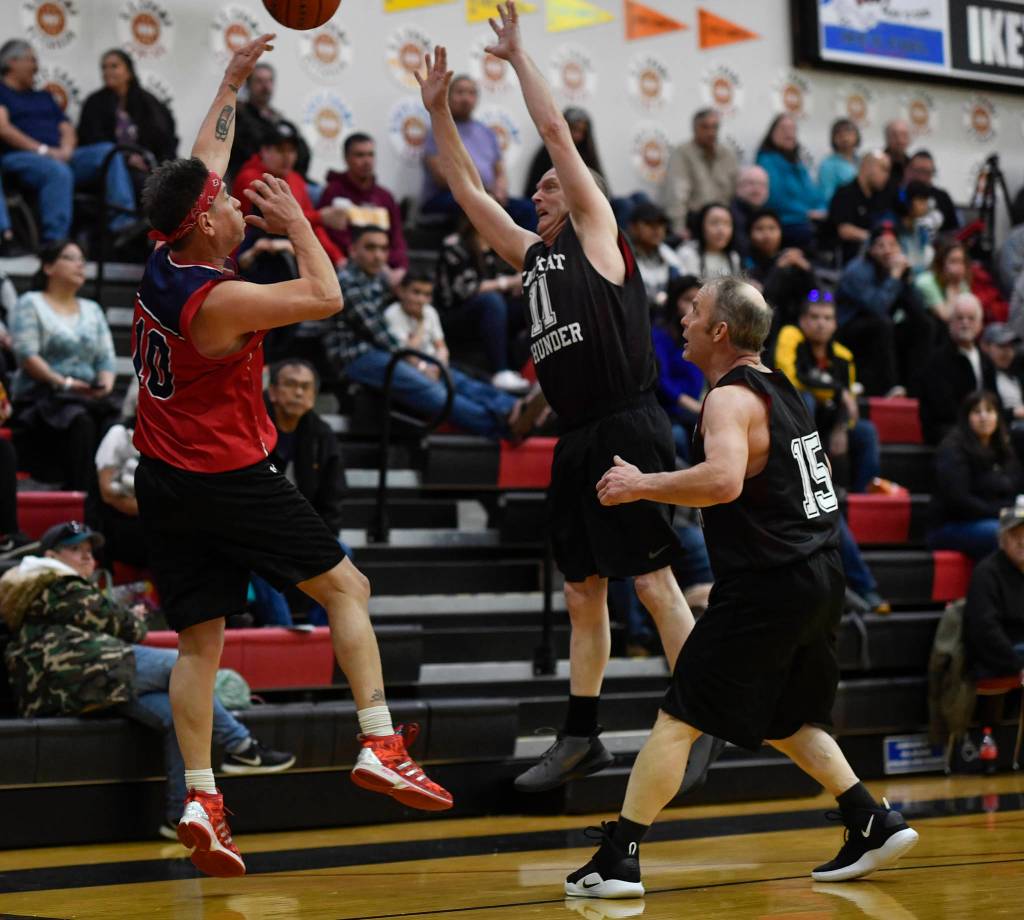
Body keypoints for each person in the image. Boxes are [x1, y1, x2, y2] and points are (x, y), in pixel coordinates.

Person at [131, 34, 453, 879]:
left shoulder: (165, 253)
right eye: (230, 203)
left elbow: (202, 161)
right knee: (350, 587)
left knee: (200, 644)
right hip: (223, 475)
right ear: (206, 222)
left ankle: (199, 797)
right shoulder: (223, 299)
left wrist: (231, 79)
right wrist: (299, 223)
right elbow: (328, 294)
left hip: (161, 475)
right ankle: (380, 741)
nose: (239, 201)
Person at [418, 3, 702, 795]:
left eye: (554, 186)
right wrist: (439, 110)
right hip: (576, 436)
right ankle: (583, 736)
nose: (542, 191)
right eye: (538, 188)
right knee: (583, 590)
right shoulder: (532, 256)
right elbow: (470, 191)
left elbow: (559, 140)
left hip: (629, 423)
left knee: (653, 583)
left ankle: (703, 710)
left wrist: (517, 58)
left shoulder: (598, 233)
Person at [566, 277, 918, 899]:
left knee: (680, 715)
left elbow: (725, 481)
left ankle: (619, 858)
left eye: (694, 310)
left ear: (720, 331)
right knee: (787, 719)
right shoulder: (783, 390)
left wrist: (641, 484)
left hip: (768, 583)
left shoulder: (728, 399)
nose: (683, 318)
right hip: (820, 575)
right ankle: (871, 820)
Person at [0, 520, 297, 837]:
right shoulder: (55, 582)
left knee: (175, 713)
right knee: (182, 666)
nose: (87, 559)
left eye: (89, 551)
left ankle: (178, 816)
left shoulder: (35, 588)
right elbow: (127, 627)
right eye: (76, 550)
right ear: (50, 555)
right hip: (81, 672)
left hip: (72, 683)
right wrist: (131, 617)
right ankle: (242, 745)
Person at [334, 227, 541, 439]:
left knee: (455, 378)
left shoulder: (376, 279)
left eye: (384, 249)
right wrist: (422, 365)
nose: (378, 255)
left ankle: (515, 407)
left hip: (392, 353)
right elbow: (381, 337)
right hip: (358, 359)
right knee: (433, 391)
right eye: (370, 248)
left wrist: (426, 363)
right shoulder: (348, 282)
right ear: (352, 250)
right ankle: (504, 426)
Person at [0, 40, 138, 244]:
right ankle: (56, 243)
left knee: (108, 153)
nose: (36, 67)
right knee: (58, 171)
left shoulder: (43, 96)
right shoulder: (2, 92)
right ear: (12, 62)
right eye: (31, 60)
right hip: (20, 157)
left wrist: (65, 149)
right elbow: (4, 128)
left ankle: (123, 224)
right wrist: (43, 150)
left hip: (59, 155)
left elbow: (66, 128)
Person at [9, 239, 119, 491]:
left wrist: (103, 386)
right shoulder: (31, 302)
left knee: (113, 422)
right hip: (43, 398)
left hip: (86, 396)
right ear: (48, 267)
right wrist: (66, 383)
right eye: (70, 258)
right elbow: (27, 355)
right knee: (80, 421)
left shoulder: (92, 309)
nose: (80, 265)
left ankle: (106, 501)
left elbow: (106, 359)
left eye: (82, 259)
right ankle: (80, 498)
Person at [249, 359, 347, 628]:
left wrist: (322, 541)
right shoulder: (251, 425)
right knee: (261, 558)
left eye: (306, 387)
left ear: (314, 396)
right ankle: (282, 631)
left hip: (302, 534)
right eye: (291, 385)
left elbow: (332, 499)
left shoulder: (322, 436)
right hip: (254, 533)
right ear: (273, 392)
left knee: (342, 553)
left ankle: (322, 632)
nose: (299, 393)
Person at [774, 297, 881, 494]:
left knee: (866, 432)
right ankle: (803, 480)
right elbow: (789, 378)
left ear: (835, 324)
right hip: (792, 424)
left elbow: (849, 405)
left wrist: (841, 426)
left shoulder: (843, 356)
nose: (820, 323)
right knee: (806, 399)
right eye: (814, 317)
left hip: (828, 423)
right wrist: (837, 390)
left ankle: (863, 496)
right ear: (802, 321)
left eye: (827, 318)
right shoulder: (791, 336)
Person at [421, 74, 533, 230]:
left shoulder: (487, 132)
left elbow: (500, 171)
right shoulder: (438, 129)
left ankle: (529, 254)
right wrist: (479, 194)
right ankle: (479, 254)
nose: (466, 98)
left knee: (528, 209)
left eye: (471, 93)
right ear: (448, 96)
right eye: (460, 92)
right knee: (475, 206)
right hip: (446, 198)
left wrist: (499, 191)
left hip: (487, 197)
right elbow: (441, 176)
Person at [835, 221, 932, 397]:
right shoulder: (857, 270)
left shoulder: (895, 269)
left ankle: (917, 387)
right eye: (881, 245)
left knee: (924, 325)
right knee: (883, 325)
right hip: (849, 328)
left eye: (892, 245)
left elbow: (916, 308)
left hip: (881, 325)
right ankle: (889, 387)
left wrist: (907, 280)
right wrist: (895, 277)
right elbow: (877, 307)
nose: (887, 250)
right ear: (871, 250)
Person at [435, 214, 530, 391]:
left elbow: (502, 277)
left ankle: (518, 368)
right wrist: (507, 283)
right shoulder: (454, 245)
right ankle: (500, 371)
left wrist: (517, 287)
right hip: (452, 314)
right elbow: (466, 289)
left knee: (530, 302)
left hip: (488, 310)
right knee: (491, 301)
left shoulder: (494, 245)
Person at [232, 121, 344, 267]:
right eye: (280, 150)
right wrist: (320, 217)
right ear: (264, 150)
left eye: (291, 151)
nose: (287, 157)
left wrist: (338, 258)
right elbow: (273, 218)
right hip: (251, 257)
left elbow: (312, 226)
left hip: (290, 255)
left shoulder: (295, 179)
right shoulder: (249, 178)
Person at [927, 392, 1022, 560]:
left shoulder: (1003, 448)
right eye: (977, 412)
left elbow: (1014, 488)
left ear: (998, 416)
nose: (984, 417)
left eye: (990, 411)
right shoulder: (953, 449)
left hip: (994, 519)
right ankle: (996, 585)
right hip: (952, 525)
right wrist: (1002, 513)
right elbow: (958, 500)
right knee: (1004, 535)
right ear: (966, 417)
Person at [77, 49, 178, 191]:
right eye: (104, 67)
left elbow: (165, 137)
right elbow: (93, 141)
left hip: (151, 165)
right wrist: (126, 158)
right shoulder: (94, 103)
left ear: (129, 72)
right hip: (114, 166)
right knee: (145, 185)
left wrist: (158, 166)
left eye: (114, 66)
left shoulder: (148, 102)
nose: (107, 71)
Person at [318, 132, 409, 279]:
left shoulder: (385, 196)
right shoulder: (333, 192)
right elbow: (332, 236)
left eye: (370, 155)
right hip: (347, 270)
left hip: (384, 268)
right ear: (346, 158)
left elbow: (397, 238)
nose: (367, 161)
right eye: (360, 155)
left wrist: (401, 267)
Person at [918, 293, 1000, 445]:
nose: (965, 323)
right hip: (948, 429)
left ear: (980, 324)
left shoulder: (986, 360)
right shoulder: (935, 361)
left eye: (971, 318)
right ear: (950, 322)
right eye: (960, 318)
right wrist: (977, 423)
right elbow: (942, 409)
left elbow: (994, 400)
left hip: (982, 425)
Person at [963, 501, 1024, 678]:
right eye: (1014, 535)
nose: (1022, 541)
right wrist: (1017, 666)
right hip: (1000, 660)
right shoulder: (986, 573)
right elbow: (985, 630)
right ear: (1002, 541)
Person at [662, 108, 739, 239]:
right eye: (705, 127)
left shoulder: (727, 155)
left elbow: (735, 192)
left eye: (715, 127)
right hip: (695, 219)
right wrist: (679, 228)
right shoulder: (682, 154)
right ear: (694, 129)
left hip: (724, 217)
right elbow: (677, 194)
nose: (711, 132)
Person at [228, 61, 311, 181]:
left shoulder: (281, 120)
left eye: (269, 81)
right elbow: (247, 152)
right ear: (249, 85)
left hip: (284, 179)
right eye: (259, 81)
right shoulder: (239, 117)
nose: (265, 86)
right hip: (252, 178)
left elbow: (303, 152)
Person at [743, 207, 816, 340]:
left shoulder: (789, 260)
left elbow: (815, 295)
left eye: (772, 228)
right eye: (760, 229)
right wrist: (778, 270)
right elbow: (764, 300)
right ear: (749, 233)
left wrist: (807, 270)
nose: (767, 235)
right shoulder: (746, 262)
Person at [651, 275, 703, 461]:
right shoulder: (660, 334)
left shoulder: (703, 334)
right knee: (679, 436)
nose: (691, 308)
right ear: (675, 301)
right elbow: (660, 381)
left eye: (697, 304)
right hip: (667, 411)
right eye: (687, 300)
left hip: (694, 409)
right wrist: (694, 406)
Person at [756, 114, 825, 250]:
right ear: (771, 134)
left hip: (807, 221)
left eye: (792, 129)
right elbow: (775, 199)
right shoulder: (766, 161)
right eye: (783, 129)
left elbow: (815, 194)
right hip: (786, 223)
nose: (789, 133)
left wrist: (822, 210)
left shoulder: (799, 164)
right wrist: (806, 213)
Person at [827, 150, 893, 264]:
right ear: (867, 167)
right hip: (850, 258)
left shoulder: (879, 197)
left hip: (874, 256)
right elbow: (844, 230)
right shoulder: (845, 194)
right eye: (883, 169)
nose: (887, 176)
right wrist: (874, 239)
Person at [524, 107, 605, 198]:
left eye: (582, 132)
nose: (578, 136)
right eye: (574, 129)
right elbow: (533, 190)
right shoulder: (547, 155)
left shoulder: (588, 156)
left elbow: (602, 187)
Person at [627, 201, 681, 307]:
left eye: (661, 224)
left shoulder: (671, 258)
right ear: (632, 227)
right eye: (649, 223)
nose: (657, 229)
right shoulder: (623, 255)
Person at [675, 202, 741, 280]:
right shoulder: (687, 254)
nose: (721, 230)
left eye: (727, 223)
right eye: (714, 223)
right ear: (701, 226)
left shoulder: (733, 257)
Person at [915, 237, 972, 325]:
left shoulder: (962, 284)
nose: (959, 267)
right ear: (941, 264)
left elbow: (968, 314)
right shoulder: (926, 282)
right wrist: (952, 287)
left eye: (961, 262)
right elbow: (946, 316)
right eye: (953, 262)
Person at [903, 150, 959, 233]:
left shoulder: (943, 197)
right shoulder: (898, 194)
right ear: (907, 170)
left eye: (927, 172)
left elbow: (953, 231)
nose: (921, 177)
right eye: (918, 171)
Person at [893, 180, 935, 276]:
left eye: (926, 201)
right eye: (921, 201)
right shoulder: (895, 230)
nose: (925, 206)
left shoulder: (921, 231)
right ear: (907, 201)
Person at [817, 118, 860, 208]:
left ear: (857, 136)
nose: (844, 137)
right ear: (833, 139)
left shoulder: (863, 162)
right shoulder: (828, 164)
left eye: (848, 132)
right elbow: (828, 196)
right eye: (839, 134)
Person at [729, 164, 770, 258]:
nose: (756, 189)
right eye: (750, 183)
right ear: (738, 187)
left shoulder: (767, 214)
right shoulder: (731, 215)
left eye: (762, 185)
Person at [882, 119, 911, 188]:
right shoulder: (876, 164)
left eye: (904, 135)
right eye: (894, 135)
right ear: (887, 138)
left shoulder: (912, 165)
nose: (900, 140)